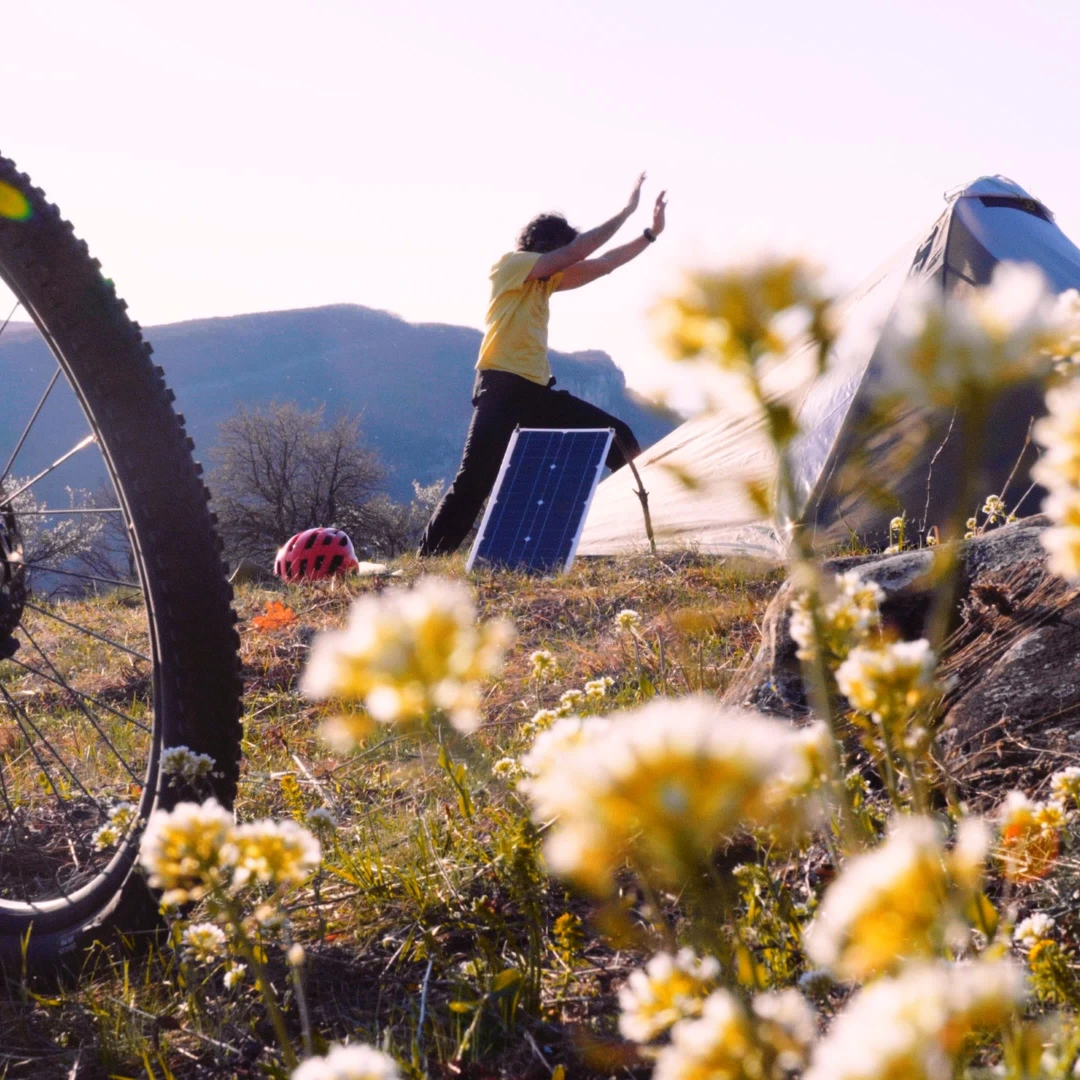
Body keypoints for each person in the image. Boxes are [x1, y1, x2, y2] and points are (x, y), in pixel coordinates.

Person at [418, 173, 668, 556]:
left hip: (535, 392)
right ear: (543, 245)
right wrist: (627, 210)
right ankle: (427, 558)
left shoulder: (546, 282)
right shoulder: (511, 265)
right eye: (561, 249)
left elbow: (603, 264)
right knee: (474, 482)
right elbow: (577, 253)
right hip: (500, 388)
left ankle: (653, 534)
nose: (566, 257)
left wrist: (649, 235)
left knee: (618, 435)